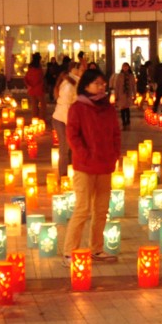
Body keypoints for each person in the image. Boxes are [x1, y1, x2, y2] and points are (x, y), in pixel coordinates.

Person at [63, 68, 122, 259]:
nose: (101, 87)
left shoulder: (108, 108)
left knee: (101, 210)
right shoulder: (78, 108)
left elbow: (116, 133)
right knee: (82, 209)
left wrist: (114, 154)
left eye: (103, 84)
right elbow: (72, 136)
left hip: (105, 165)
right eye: (97, 83)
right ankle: (70, 251)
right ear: (86, 85)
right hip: (85, 166)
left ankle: (96, 247)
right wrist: (84, 155)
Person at [52, 62, 82, 181]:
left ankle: (70, 173)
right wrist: (71, 124)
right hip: (62, 119)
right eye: (81, 69)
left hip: (67, 119)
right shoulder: (69, 85)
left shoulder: (75, 82)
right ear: (74, 69)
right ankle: (63, 177)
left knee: (71, 148)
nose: (83, 71)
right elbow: (66, 106)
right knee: (64, 148)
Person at [112, 61, 136, 129]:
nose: (125, 68)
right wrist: (116, 96)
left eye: (126, 66)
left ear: (128, 67)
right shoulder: (119, 76)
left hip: (128, 94)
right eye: (124, 66)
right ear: (122, 68)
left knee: (127, 109)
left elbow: (133, 86)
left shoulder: (131, 76)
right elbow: (117, 86)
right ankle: (124, 123)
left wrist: (134, 94)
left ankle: (128, 122)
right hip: (121, 94)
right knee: (122, 109)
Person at [24, 53, 46, 121]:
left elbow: (26, 77)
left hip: (31, 88)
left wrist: (29, 85)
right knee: (42, 104)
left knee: (34, 104)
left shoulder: (30, 68)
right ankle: (41, 118)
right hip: (38, 88)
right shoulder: (38, 69)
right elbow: (40, 78)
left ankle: (34, 118)